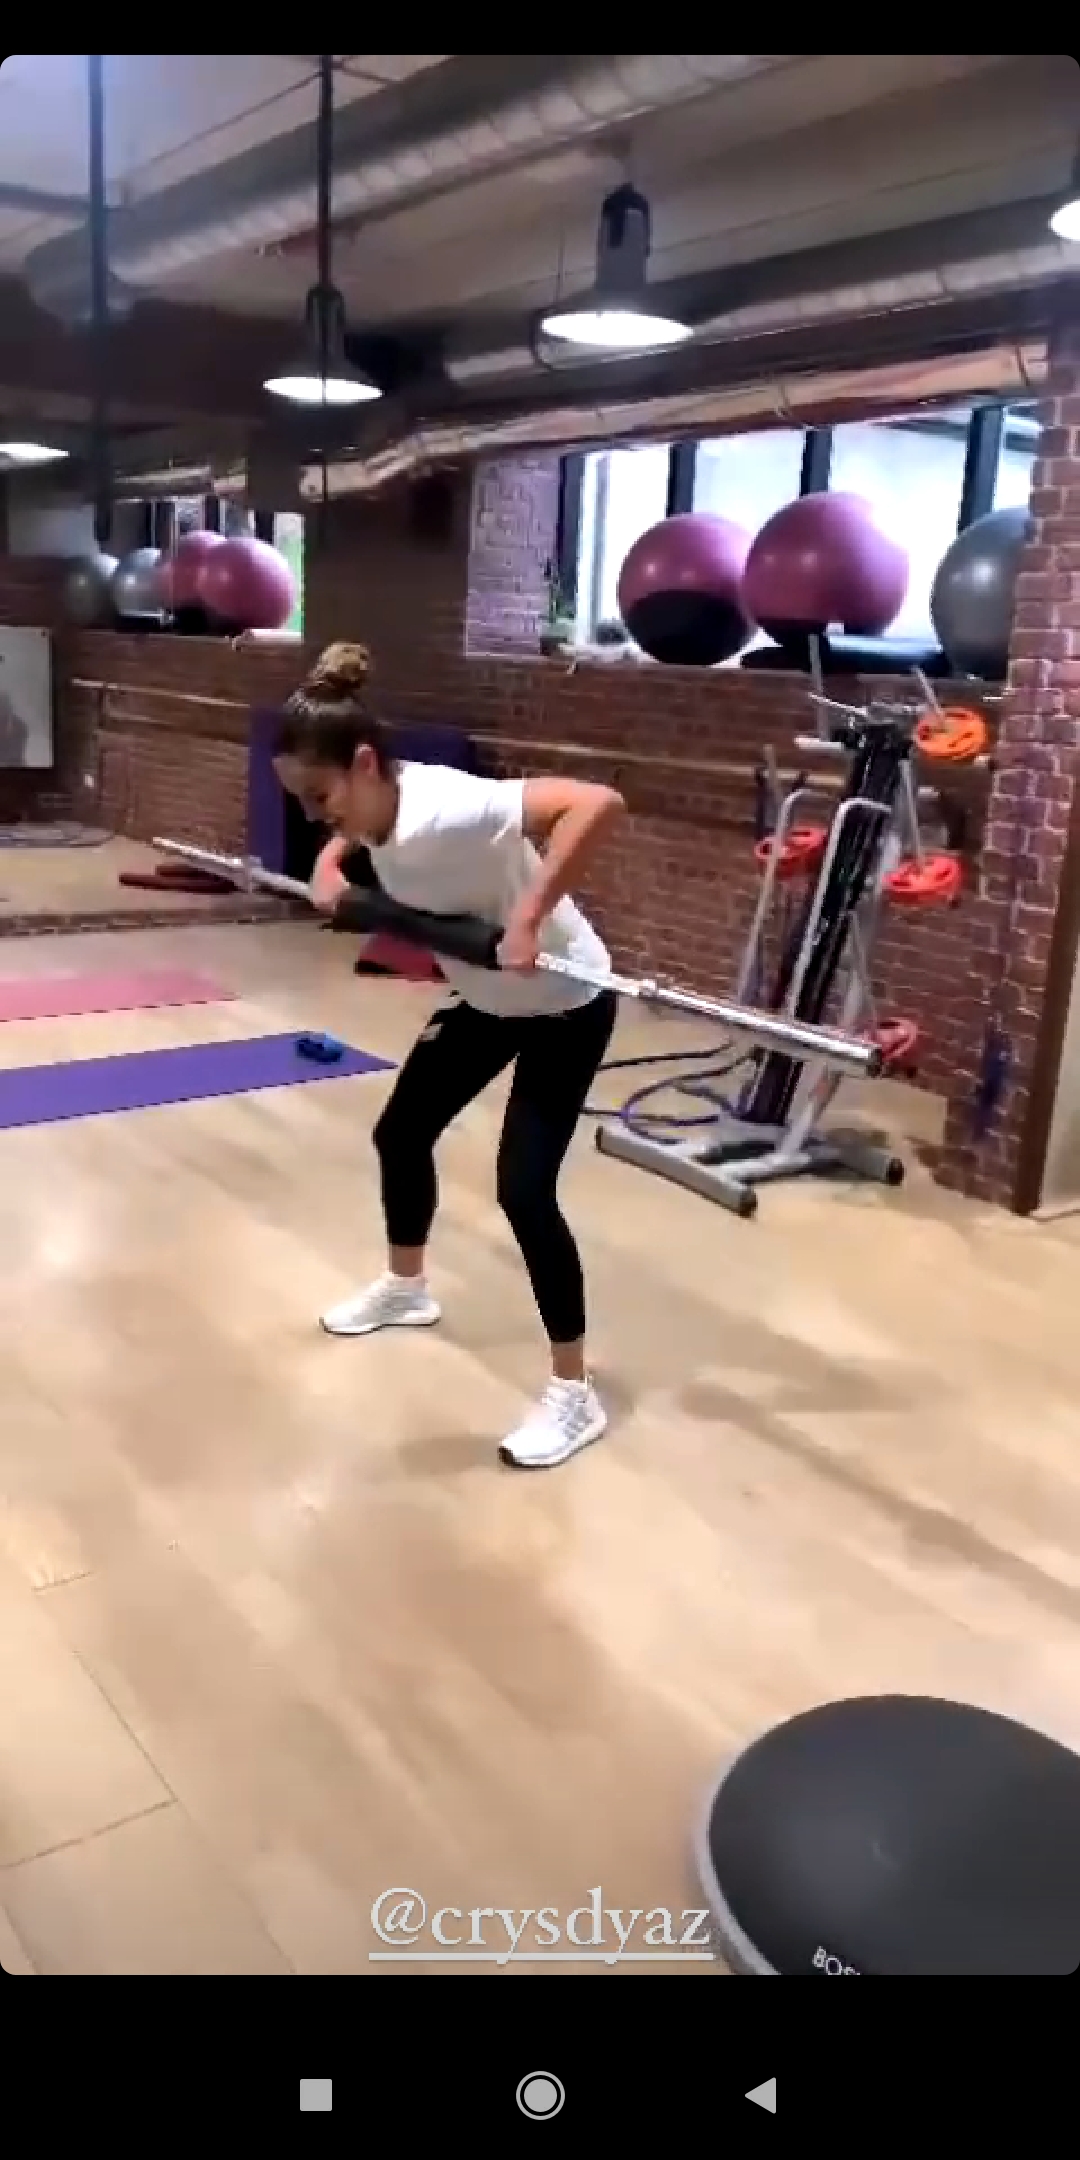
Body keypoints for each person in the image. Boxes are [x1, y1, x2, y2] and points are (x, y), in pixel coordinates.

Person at [273, 641, 625, 1470]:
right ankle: (407, 1288)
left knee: (524, 1191)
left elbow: (596, 802)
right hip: (486, 1000)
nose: (315, 814)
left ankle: (574, 1392)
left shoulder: (455, 807)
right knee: (401, 1134)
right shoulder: (378, 809)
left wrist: (530, 918)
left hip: (564, 1006)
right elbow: (361, 842)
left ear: (366, 765)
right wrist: (328, 861)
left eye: (321, 798)